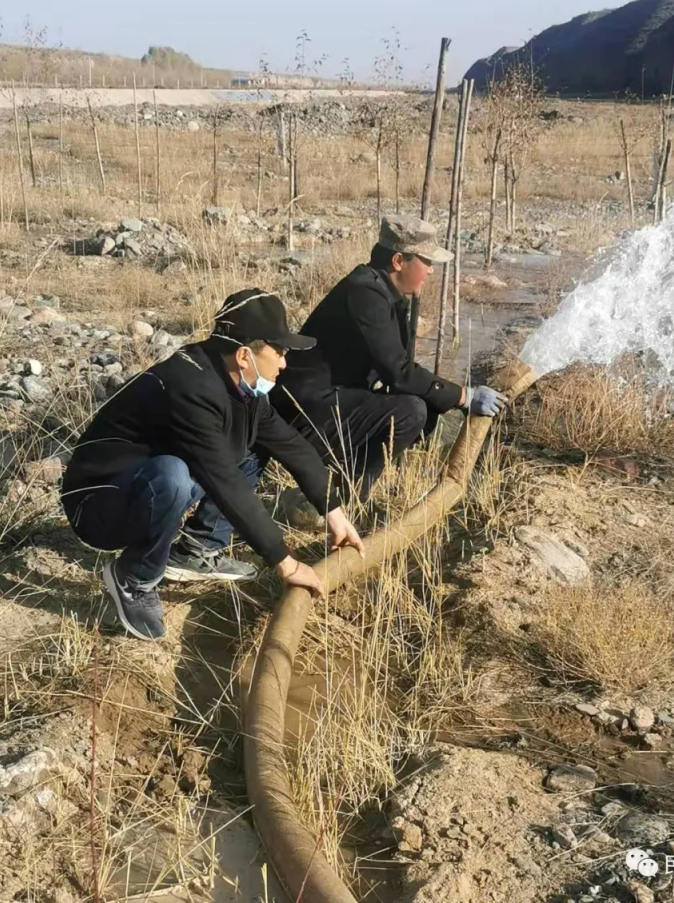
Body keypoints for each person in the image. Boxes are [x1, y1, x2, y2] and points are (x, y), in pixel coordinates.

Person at [61, 289, 364, 641]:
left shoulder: (242, 387)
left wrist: (334, 513)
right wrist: (286, 562)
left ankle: (198, 549)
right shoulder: (190, 387)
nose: (284, 363)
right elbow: (223, 480)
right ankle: (134, 577)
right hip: (99, 503)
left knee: (250, 448)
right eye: (279, 351)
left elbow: (292, 446)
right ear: (244, 355)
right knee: (173, 475)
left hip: (144, 485)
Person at [271, 214, 505, 502]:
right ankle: (352, 493)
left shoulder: (384, 292)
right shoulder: (365, 294)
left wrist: (446, 399)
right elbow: (398, 372)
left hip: (332, 401)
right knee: (411, 411)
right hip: (306, 413)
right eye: (426, 262)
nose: (431, 271)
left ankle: (346, 482)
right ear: (398, 261)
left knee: (426, 412)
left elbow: (398, 372)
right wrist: (462, 396)